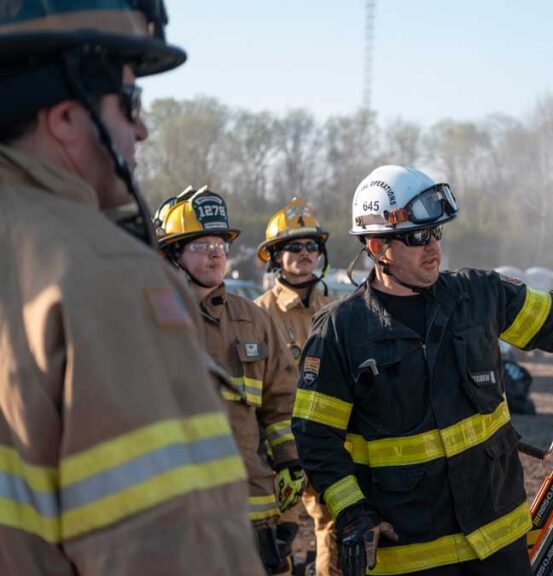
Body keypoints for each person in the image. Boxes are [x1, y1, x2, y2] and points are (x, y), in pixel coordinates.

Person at [292, 165, 553, 576]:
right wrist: (352, 510)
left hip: (499, 545)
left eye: (436, 232)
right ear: (376, 245)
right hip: (411, 558)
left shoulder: (480, 296)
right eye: (417, 237)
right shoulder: (340, 332)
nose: (433, 247)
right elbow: (315, 435)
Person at [0, 1, 263, 574]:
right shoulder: (104, 273)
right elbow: (173, 549)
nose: (142, 128)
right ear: (66, 116)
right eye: (130, 102)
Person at [154, 186, 303, 575]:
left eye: (220, 242)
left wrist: (289, 464)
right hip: (177, 505)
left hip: (252, 504)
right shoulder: (149, 319)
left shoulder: (253, 319)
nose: (217, 252)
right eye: (202, 244)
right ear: (173, 255)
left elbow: (281, 402)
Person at [255, 197, 339, 575]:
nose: (305, 254)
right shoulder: (257, 314)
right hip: (279, 449)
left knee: (336, 528)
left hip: (330, 440)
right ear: (275, 257)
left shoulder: (340, 308)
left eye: (311, 246)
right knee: (276, 538)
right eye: (294, 247)